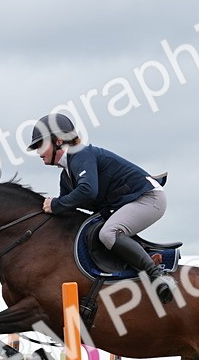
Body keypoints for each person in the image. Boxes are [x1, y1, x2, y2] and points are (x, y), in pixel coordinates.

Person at [27, 113, 173, 304]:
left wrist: (55, 204)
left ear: (58, 141)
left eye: (40, 145)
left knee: (108, 233)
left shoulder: (80, 154)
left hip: (149, 199)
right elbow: (67, 212)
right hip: (135, 201)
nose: (38, 152)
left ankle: (157, 275)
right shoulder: (66, 176)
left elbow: (87, 191)